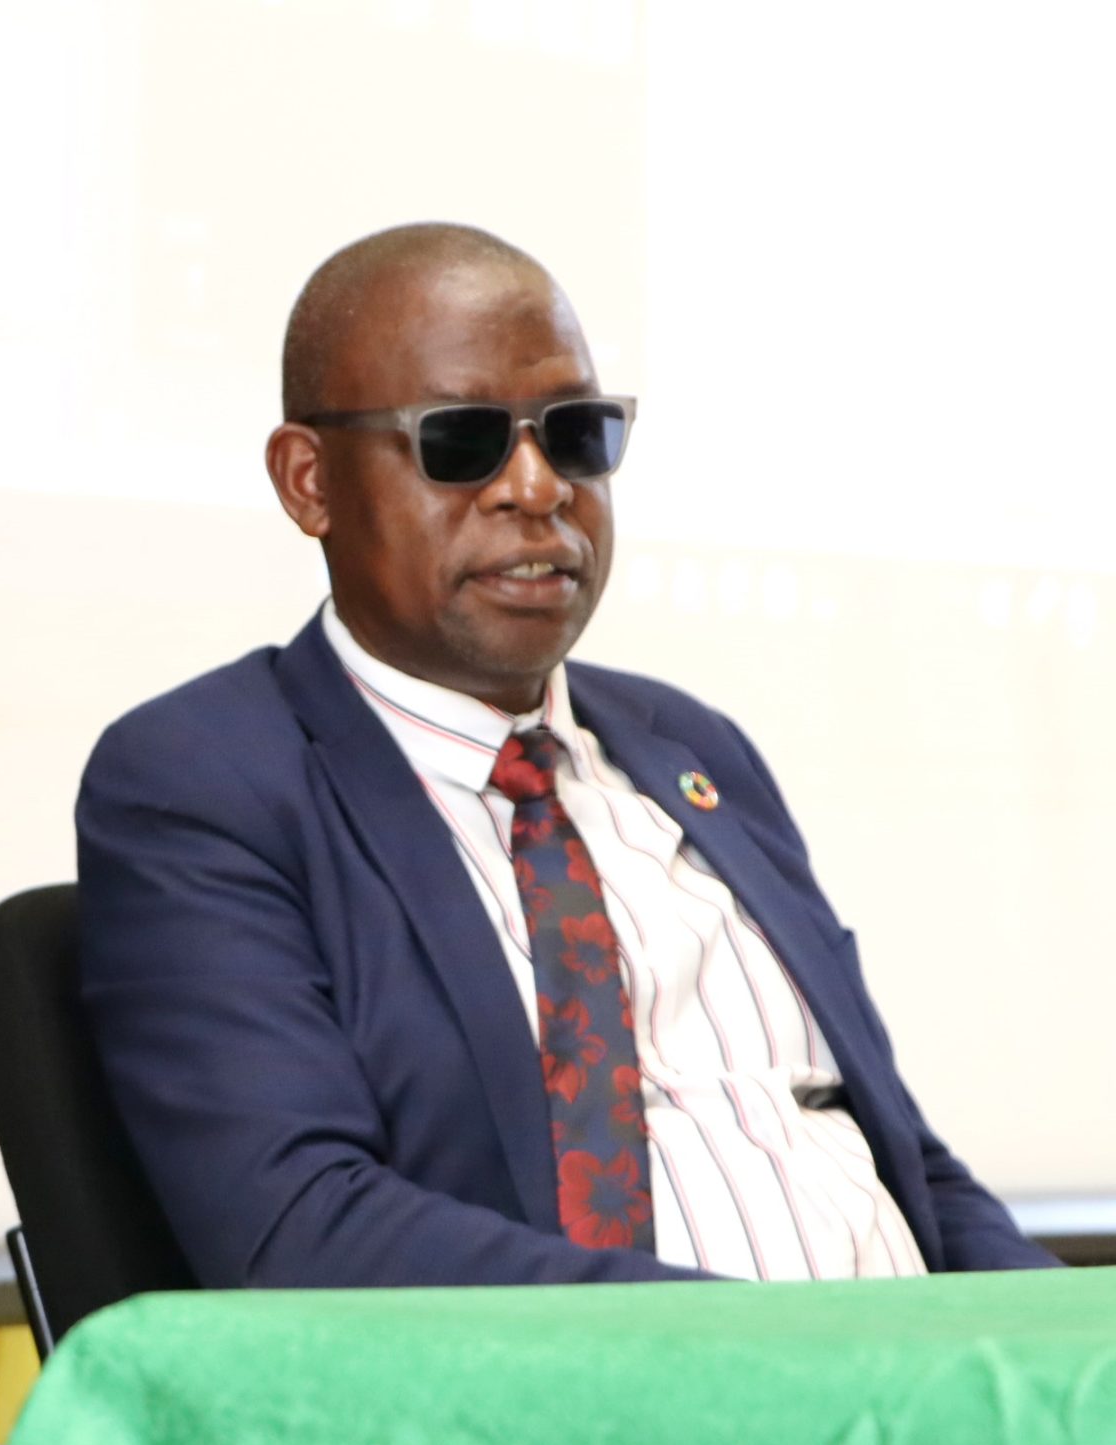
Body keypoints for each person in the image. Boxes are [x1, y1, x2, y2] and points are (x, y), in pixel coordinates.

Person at [76, 222, 1055, 1289]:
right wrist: (780, 1357)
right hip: (602, 1428)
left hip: (917, 1416)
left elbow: (904, 1168)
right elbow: (301, 1230)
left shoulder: (692, 752)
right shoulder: (206, 783)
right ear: (308, 480)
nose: (537, 488)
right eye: (463, 440)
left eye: (576, 433)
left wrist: (1063, 1360)